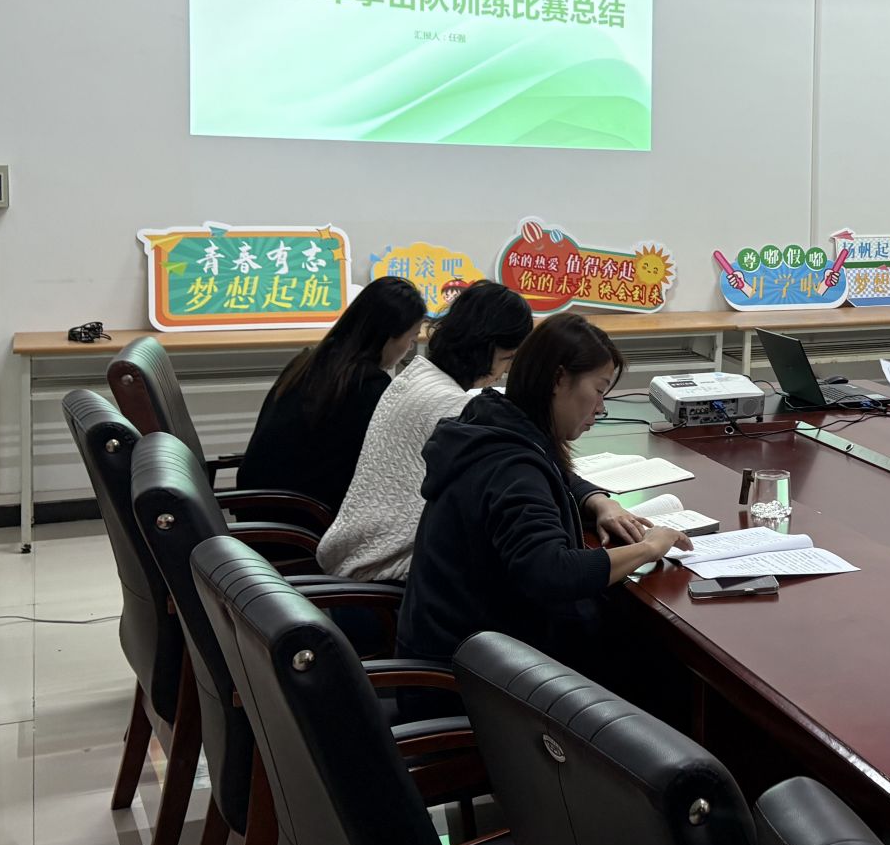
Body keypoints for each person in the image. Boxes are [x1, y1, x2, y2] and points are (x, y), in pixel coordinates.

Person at [397, 313, 690, 672]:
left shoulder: (492, 423)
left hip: (458, 648)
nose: (601, 407)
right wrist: (649, 548)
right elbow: (552, 573)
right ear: (559, 379)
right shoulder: (512, 467)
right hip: (476, 677)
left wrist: (598, 501)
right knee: (661, 662)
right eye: (598, 390)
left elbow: (553, 473)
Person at [316, 280, 534, 581]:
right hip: (387, 575)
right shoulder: (453, 407)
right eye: (507, 358)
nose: (506, 370)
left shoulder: (417, 376)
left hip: (352, 555)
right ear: (486, 348)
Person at [236, 275, 427, 511]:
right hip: (301, 514)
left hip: (258, 503)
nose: (409, 348)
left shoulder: (309, 361)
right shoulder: (366, 385)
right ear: (389, 335)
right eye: (411, 338)